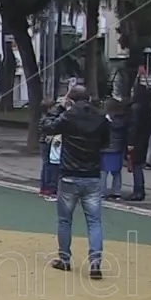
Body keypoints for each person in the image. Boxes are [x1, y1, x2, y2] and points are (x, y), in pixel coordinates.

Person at [41, 86, 110, 279]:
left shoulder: (68, 117)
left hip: (69, 174)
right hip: (92, 174)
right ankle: (95, 262)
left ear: (70, 99)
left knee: (65, 220)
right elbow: (106, 142)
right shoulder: (100, 118)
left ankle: (65, 259)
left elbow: (47, 126)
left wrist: (59, 108)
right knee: (94, 221)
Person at [125, 84, 151, 202]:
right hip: (144, 138)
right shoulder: (147, 107)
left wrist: (130, 142)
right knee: (138, 165)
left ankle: (138, 191)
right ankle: (139, 190)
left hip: (137, 140)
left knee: (136, 166)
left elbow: (133, 126)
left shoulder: (135, 108)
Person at [101, 98, 131, 200]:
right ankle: (117, 191)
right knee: (116, 171)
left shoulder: (106, 120)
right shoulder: (122, 119)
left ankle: (102, 191)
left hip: (105, 148)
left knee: (103, 171)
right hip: (118, 148)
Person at [39, 100, 62, 200]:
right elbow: (51, 126)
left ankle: (45, 187)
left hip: (46, 142)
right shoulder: (48, 118)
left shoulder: (48, 117)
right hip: (47, 143)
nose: (55, 108)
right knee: (48, 165)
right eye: (54, 107)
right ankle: (47, 187)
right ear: (49, 108)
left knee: (47, 164)